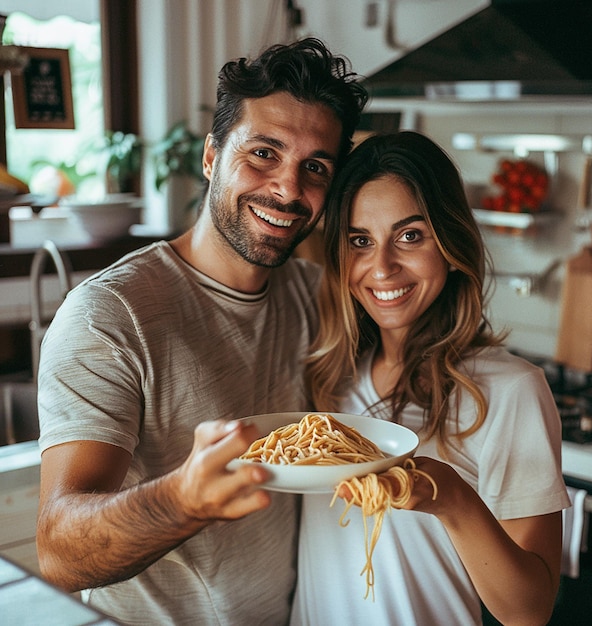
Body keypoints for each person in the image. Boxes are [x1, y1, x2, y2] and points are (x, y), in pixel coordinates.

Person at [36, 38, 368, 626]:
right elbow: (60, 551)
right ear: (212, 157)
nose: (289, 189)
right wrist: (182, 499)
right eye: (264, 153)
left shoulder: (311, 295)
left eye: (315, 167)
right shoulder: (111, 315)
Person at [291, 131, 570, 626]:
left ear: (449, 241)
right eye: (360, 240)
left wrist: (451, 497)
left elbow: (529, 612)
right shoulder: (329, 376)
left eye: (410, 236)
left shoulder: (509, 390)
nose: (381, 268)